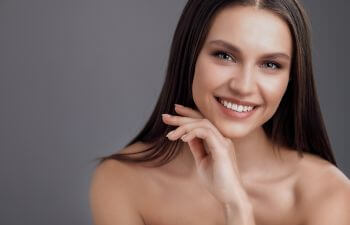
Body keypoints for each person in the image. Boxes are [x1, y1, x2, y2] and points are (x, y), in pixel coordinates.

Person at [89, 0, 350, 224]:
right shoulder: (122, 181)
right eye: (225, 56)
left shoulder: (329, 194)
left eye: (270, 64)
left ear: (291, 78)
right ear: (189, 55)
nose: (243, 86)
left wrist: (238, 208)